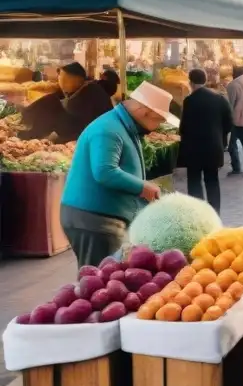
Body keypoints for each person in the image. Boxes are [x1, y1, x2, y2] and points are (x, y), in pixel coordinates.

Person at [60, 83, 176, 267]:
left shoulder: (123, 126)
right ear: (144, 111)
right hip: (93, 219)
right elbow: (105, 172)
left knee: (105, 276)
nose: (157, 126)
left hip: (102, 218)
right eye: (158, 120)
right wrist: (142, 187)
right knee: (98, 280)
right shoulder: (108, 130)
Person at [177, 69, 233, 212]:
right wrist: (220, 137)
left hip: (194, 148)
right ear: (205, 80)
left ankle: (198, 213)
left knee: (194, 180)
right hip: (214, 147)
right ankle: (215, 212)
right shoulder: (220, 99)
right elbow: (229, 123)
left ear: (190, 82)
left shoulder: (189, 101)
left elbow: (183, 126)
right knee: (212, 180)